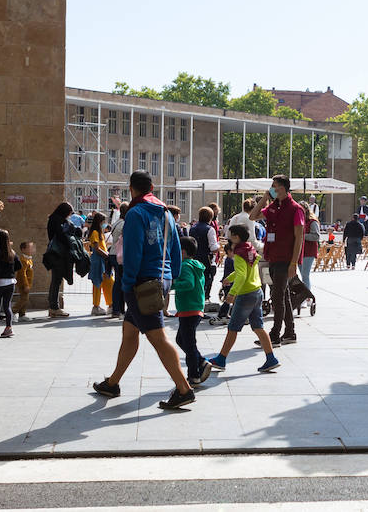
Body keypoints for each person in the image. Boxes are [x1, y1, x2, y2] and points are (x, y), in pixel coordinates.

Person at [93, 170, 195, 410]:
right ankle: (113, 382)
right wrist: (173, 275)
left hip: (142, 283)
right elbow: (175, 247)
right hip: (162, 277)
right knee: (130, 331)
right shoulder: (166, 213)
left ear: (131, 189)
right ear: (151, 187)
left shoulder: (136, 213)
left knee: (157, 336)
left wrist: (127, 283)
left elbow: (133, 252)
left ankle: (184, 389)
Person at [205, 224, 281, 374]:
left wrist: (231, 294)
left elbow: (241, 275)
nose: (228, 236)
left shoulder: (239, 254)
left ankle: (221, 359)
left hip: (245, 294)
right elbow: (246, 270)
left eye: (230, 234)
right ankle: (271, 358)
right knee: (258, 327)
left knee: (233, 328)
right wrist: (229, 278)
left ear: (236, 237)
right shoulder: (249, 249)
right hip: (257, 291)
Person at [250, 174, 305, 345]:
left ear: (283, 187)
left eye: (274, 186)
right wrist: (265, 198)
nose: (272, 188)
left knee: (278, 295)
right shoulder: (274, 206)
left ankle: (274, 334)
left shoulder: (296, 209)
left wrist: (294, 263)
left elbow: (299, 238)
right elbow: (253, 216)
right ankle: (290, 332)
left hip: (285, 258)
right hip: (271, 256)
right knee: (283, 294)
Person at [172, 235, 209, 385]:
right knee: (181, 340)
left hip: (189, 309)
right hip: (193, 308)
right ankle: (201, 362)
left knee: (189, 343)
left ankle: (194, 375)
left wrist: (173, 283)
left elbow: (188, 284)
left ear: (183, 252)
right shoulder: (196, 264)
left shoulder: (186, 266)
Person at [44, 202, 79, 319]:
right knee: (56, 280)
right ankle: (54, 307)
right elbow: (61, 236)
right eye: (69, 213)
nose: (69, 216)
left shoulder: (54, 219)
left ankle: (53, 307)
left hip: (55, 254)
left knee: (56, 280)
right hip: (57, 254)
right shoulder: (58, 221)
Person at [188, 207, 220, 301]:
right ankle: (204, 301)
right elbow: (213, 248)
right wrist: (219, 247)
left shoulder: (192, 228)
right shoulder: (210, 229)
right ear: (211, 217)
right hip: (206, 259)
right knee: (206, 280)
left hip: (194, 258)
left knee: (196, 281)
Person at [86, 212, 112, 316]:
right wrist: (107, 255)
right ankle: (96, 306)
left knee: (108, 282)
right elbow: (96, 248)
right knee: (97, 283)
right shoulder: (95, 233)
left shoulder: (99, 232)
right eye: (103, 221)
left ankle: (110, 304)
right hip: (98, 260)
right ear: (99, 221)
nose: (104, 223)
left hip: (102, 260)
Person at [108, 201, 128, 318]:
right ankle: (118, 308)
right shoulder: (124, 224)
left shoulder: (116, 223)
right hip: (120, 255)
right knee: (120, 282)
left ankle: (118, 308)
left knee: (118, 282)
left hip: (113, 253)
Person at [14, 240, 35, 323]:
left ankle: (22, 314)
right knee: (24, 299)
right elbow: (22, 274)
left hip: (28, 283)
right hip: (23, 283)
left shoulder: (29, 259)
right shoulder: (23, 260)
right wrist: (26, 285)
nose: (32, 249)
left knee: (25, 298)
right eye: (29, 248)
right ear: (23, 249)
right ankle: (12, 311)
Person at [300, 204, 321, 290]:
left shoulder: (313, 222)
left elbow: (316, 236)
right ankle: (306, 295)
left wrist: (301, 236)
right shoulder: (300, 220)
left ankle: (307, 297)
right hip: (300, 252)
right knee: (302, 275)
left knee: (305, 275)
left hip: (309, 252)